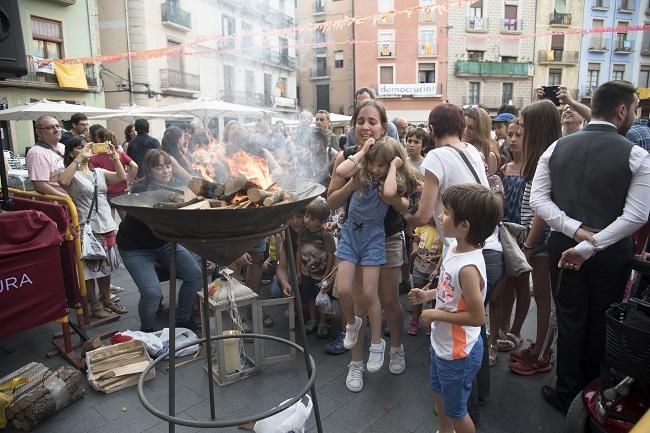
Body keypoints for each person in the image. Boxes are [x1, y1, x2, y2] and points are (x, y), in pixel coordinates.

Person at [530, 80, 650, 414]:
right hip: (611, 254)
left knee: (569, 318)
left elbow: (539, 199)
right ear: (623, 110)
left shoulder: (556, 148)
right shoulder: (638, 155)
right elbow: (636, 215)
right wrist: (592, 242)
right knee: (601, 318)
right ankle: (593, 391)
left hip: (563, 246)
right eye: (636, 110)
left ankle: (566, 390)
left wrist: (575, 232)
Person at [408, 103, 504, 423]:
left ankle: (466, 414)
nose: (441, 216)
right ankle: (476, 399)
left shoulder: (436, 156)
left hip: (471, 255)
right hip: (489, 248)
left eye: (446, 214)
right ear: (461, 128)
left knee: (460, 385)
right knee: (478, 336)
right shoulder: (472, 150)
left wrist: (402, 211)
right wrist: (431, 293)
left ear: (432, 131)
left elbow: (424, 214)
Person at [327, 99, 416, 391]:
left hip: (386, 236)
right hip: (354, 234)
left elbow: (406, 208)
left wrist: (392, 196)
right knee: (356, 301)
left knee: (388, 301)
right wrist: (352, 186)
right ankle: (356, 363)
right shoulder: (348, 157)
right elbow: (331, 201)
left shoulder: (393, 156)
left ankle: (395, 347)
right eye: (360, 120)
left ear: (384, 125)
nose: (365, 126)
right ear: (354, 125)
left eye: (372, 121)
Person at [117, 149, 203, 332]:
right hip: (135, 248)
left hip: (163, 243)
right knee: (152, 293)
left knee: (194, 275)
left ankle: (183, 319)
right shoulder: (140, 189)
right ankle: (147, 331)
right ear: (149, 170)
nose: (166, 171)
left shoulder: (175, 185)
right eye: (159, 167)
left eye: (168, 165)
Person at [509, 99, 562, 376]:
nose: (519, 128)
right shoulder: (544, 156)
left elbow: (542, 207)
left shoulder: (548, 158)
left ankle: (541, 354)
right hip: (538, 238)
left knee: (544, 299)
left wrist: (529, 244)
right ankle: (539, 348)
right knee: (542, 298)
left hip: (542, 240)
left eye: (524, 125)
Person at [58, 136, 128, 318]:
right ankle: (95, 306)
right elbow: (63, 182)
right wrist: (79, 159)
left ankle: (107, 299)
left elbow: (121, 177)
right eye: (79, 146)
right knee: (89, 269)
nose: (85, 148)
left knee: (106, 267)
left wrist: (115, 157)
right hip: (86, 228)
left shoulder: (98, 172)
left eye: (86, 145)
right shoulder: (71, 173)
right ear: (71, 151)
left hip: (106, 224)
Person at [488, 120, 529, 366]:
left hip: (524, 232)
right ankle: (502, 326)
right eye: (510, 135)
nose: (513, 139)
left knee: (521, 283)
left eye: (518, 135)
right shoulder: (506, 168)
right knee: (504, 286)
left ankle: (516, 329)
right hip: (505, 231)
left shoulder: (534, 168)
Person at [296, 199, 336, 337]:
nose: (307, 220)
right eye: (306, 216)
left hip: (321, 274)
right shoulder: (302, 233)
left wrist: (327, 273)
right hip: (306, 273)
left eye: (312, 219)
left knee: (323, 298)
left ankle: (323, 322)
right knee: (311, 297)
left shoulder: (326, 236)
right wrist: (298, 271)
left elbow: (331, 255)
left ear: (321, 222)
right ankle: (313, 320)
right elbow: (298, 252)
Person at [90, 129, 138, 220]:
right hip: (121, 192)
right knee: (127, 222)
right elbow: (134, 166)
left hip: (105, 194)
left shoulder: (94, 158)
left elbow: (93, 175)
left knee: (110, 226)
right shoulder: (120, 154)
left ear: (99, 140)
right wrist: (130, 182)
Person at [408, 215, 442, 336]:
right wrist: (415, 249)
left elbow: (445, 252)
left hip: (434, 269)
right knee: (418, 294)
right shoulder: (422, 227)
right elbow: (415, 241)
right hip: (419, 266)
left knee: (433, 297)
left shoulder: (443, 231)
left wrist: (435, 257)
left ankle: (431, 322)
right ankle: (414, 321)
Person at [26, 116, 67, 197]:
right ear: (39, 132)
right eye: (50, 128)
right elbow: (40, 185)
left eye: (57, 126)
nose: (56, 130)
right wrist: (66, 197)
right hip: (58, 203)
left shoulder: (62, 146)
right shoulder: (37, 153)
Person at [463, 106, 499, 176]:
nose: (465, 131)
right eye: (464, 126)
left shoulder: (489, 156)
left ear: (481, 130)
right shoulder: (457, 149)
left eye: (471, 128)